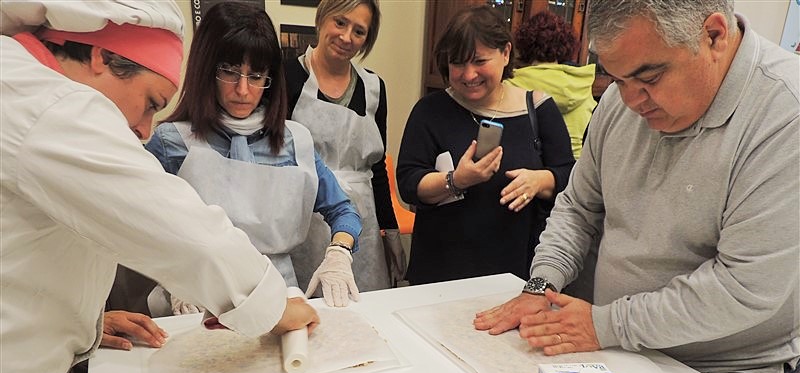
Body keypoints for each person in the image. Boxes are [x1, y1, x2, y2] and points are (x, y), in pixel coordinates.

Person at [0, 2, 318, 373]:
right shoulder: (48, 106)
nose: (146, 128)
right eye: (149, 101)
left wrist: (82, 318)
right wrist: (274, 306)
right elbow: (183, 231)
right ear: (101, 56)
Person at [474, 0, 800, 373]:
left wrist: (604, 324)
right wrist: (543, 283)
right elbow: (578, 208)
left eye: (649, 77)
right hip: (616, 344)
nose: (630, 100)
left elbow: (744, 287)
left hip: (722, 371)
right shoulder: (620, 102)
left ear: (714, 35)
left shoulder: (785, 113)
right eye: (617, 78)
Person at [146, 2, 362, 309]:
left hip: (277, 298)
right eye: (230, 73)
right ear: (206, 70)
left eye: (257, 76)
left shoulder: (295, 143)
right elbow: (141, 224)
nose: (243, 90)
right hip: (197, 297)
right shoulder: (172, 144)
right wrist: (174, 275)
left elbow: (343, 210)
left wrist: (339, 253)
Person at [395, 5, 575, 285]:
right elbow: (408, 183)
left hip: (516, 269)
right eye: (458, 63)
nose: (469, 75)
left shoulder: (538, 109)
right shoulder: (430, 111)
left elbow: (570, 178)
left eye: (479, 61)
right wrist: (456, 180)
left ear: (505, 53)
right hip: (440, 271)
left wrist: (539, 180)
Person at [284, 0, 405, 292]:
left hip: (361, 221)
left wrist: (389, 230)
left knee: (360, 300)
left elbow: (377, 168)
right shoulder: (286, 76)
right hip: (302, 217)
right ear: (322, 19)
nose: (347, 37)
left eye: (359, 31)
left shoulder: (374, 88)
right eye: (340, 22)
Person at [509, 10, 597, 159]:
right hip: (579, 166)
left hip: (535, 169)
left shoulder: (512, 84)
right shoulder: (581, 83)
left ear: (523, 45)